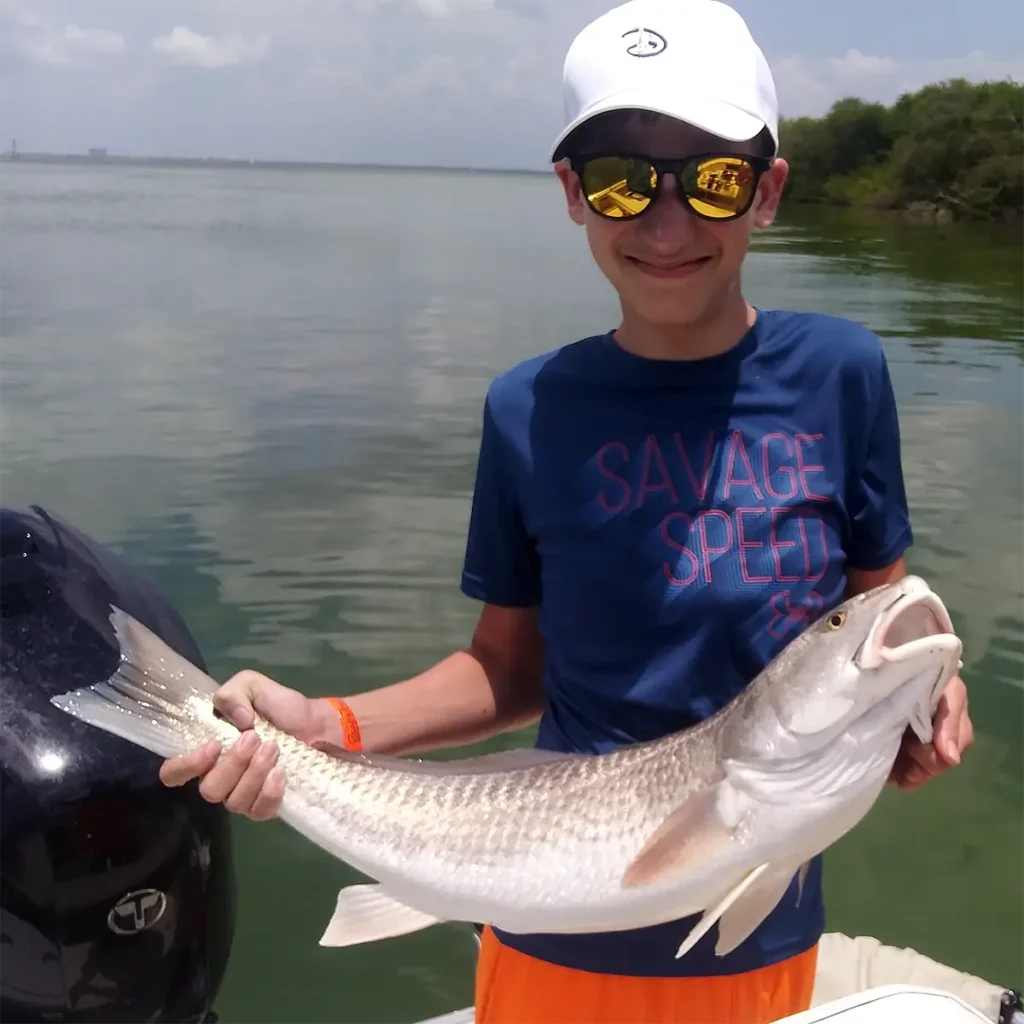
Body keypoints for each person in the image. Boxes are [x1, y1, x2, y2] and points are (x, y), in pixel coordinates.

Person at [158, 2, 975, 1022]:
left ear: (766, 191)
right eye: (622, 182)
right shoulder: (529, 407)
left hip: (764, 930)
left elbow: (879, 608)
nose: (666, 226)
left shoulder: (841, 374)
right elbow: (510, 667)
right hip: (545, 925)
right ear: (571, 194)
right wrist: (325, 726)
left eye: (712, 180)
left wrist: (931, 691)